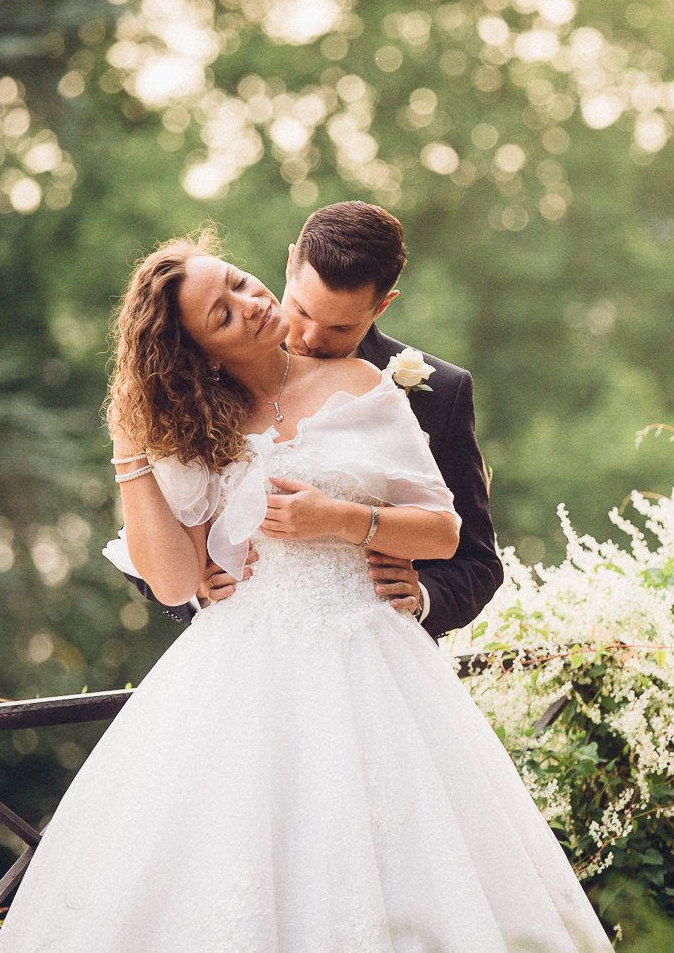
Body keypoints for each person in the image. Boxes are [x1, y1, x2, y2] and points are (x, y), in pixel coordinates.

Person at [0, 230, 633, 953]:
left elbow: (450, 530)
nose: (254, 304)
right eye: (224, 311)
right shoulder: (191, 429)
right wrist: (130, 450)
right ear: (197, 351)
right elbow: (172, 582)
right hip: (235, 684)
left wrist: (345, 522)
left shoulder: (367, 383)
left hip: (370, 668)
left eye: (239, 283)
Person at [121, 202, 502, 639]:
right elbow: (153, 552)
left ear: (381, 307)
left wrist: (418, 600)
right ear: (289, 266)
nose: (309, 338)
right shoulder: (197, 401)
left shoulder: (429, 391)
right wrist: (200, 589)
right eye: (301, 310)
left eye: (340, 328)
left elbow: (474, 558)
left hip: (370, 640)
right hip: (245, 642)